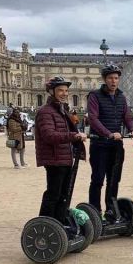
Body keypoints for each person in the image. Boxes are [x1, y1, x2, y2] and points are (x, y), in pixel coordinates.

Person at [86, 64, 133, 216]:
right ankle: (95, 211)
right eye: (110, 78)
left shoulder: (121, 97)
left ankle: (110, 209)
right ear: (104, 79)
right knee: (98, 179)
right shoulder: (94, 96)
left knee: (114, 179)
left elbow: (127, 116)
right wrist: (108, 133)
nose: (113, 81)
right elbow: (93, 119)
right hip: (100, 145)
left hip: (116, 145)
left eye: (116, 78)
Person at [35, 77, 87, 223]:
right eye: (60, 91)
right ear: (51, 92)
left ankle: (58, 222)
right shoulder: (46, 112)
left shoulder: (61, 110)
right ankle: (44, 224)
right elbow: (49, 135)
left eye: (66, 91)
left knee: (64, 194)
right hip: (54, 159)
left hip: (64, 157)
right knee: (53, 194)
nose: (64, 93)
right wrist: (74, 136)